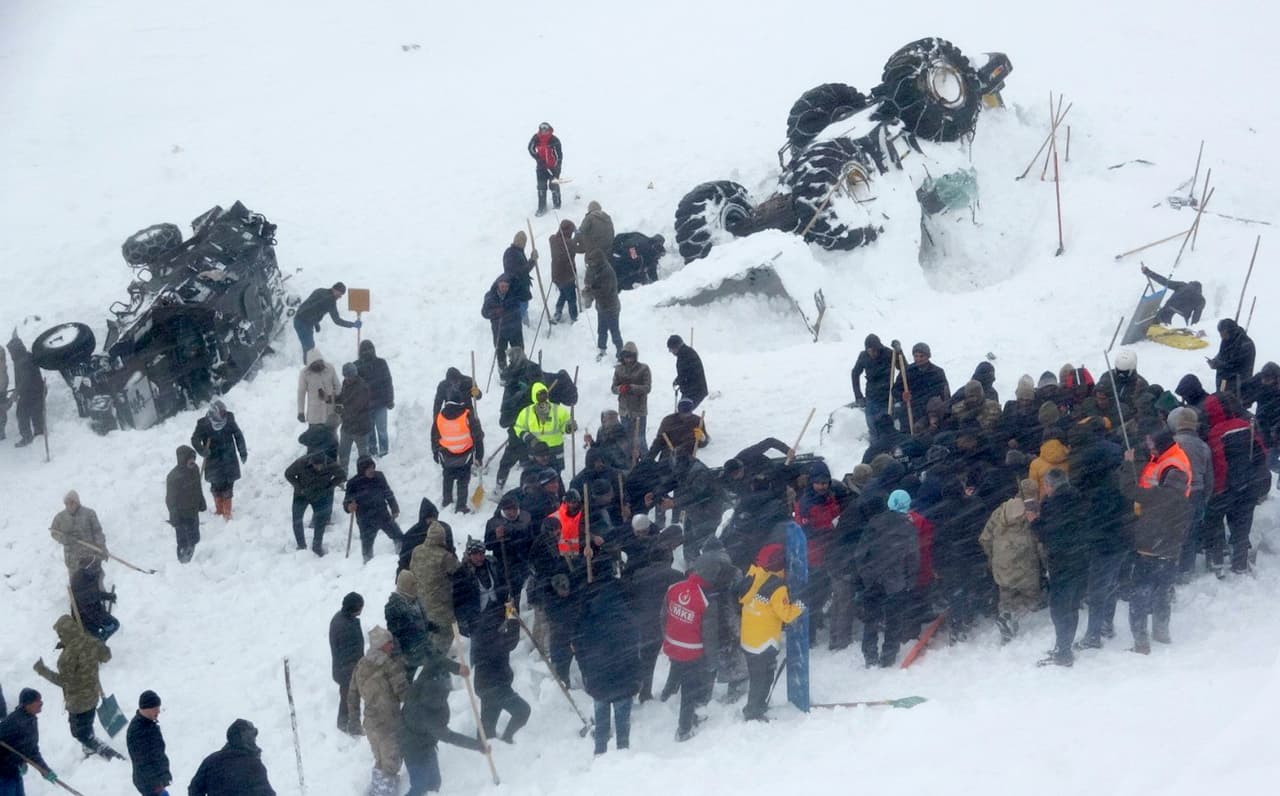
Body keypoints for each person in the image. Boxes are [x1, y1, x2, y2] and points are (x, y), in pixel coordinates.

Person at [1119, 439, 1193, 652]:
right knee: (1163, 595)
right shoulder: (1186, 506)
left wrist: (1129, 464)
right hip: (1169, 555)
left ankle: (1141, 642)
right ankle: (1161, 632)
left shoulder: (1154, 495)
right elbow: (1185, 533)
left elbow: (1127, 489)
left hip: (1147, 552)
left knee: (1140, 597)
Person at [455, 539, 530, 744]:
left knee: (490, 710)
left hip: (495, 616)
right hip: (477, 622)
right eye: (474, 554)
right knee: (494, 706)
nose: (478, 557)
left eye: (480, 553)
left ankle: (487, 739)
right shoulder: (462, 575)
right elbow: (458, 602)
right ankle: (492, 739)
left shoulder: (493, 567)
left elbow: (505, 590)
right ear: (469, 555)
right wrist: (467, 625)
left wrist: (509, 612)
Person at [399, 647, 486, 795]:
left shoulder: (423, 682)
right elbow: (451, 737)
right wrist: (478, 746)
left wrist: (458, 668)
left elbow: (436, 660)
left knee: (434, 782)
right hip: (412, 747)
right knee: (419, 787)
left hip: (425, 742)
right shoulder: (428, 717)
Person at [33, 615, 122, 759]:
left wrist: (42, 670)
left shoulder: (66, 657)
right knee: (87, 724)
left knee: (79, 733)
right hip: (93, 694)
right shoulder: (92, 642)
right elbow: (107, 656)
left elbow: (63, 681)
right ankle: (89, 749)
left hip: (77, 702)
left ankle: (109, 754)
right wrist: (96, 646)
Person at [574, 576, 641, 755]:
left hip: (598, 677)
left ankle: (600, 754)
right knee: (623, 726)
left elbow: (579, 647)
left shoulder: (587, 616)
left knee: (601, 723)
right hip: (623, 677)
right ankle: (622, 754)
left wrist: (586, 671)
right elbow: (635, 648)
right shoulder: (626, 615)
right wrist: (636, 676)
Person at [853, 490, 920, 667]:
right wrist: (910, 580)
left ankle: (870, 655)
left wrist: (866, 574)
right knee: (893, 620)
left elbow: (860, 553)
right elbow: (912, 557)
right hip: (896, 581)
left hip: (873, 580)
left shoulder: (874, 523)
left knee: (871, 619)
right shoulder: (908, 528)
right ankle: (888, 656)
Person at [737, 542, 803, 720]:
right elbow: (786, 614)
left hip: (749, 639)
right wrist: (800, 605)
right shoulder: (777, 587)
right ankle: (753, 711)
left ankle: (756, 707)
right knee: (763, 679)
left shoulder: (753, 574)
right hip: (764, 642)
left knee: (757, 677)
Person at [1031, 469, 1090, 666]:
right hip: (1080, 558)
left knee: (1059, 607)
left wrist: (1035, 522)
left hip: (1063, 561)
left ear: (1050, 485)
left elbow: (1051, 535)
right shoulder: (1077, 497)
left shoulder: (1055, 504)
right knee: (1072, 605)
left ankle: (1063, 651)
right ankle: (1064, 645)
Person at [979, 479, 1043, 642]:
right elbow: (1040, 540)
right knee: (1030, 596)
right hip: (1025, 561)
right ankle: (1019, 620)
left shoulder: (1001, 510)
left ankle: (1006, 615)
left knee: (1006, 593)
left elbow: (985, 538)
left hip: (1002, 561)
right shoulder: (1034, 511)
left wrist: (993, 557)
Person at [349, 626, 409, 796]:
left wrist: (353, 718)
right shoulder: (388, 664)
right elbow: (403, 691)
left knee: (380, 761)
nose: (392, 646)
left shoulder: (360, 665)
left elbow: (352, 694)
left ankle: (377, 791)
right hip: (389, 722)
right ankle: (385, 793)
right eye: (389, 643)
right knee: (391, 764)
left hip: (371, 723)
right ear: (382, 644)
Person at [662, 570, 712, 741]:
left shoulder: (674, 588)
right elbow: (707, 633)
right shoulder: (703, 599)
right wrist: (709, 656)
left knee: (676, 672)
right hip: (692, 651)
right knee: (690, 691)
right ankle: (684, 729)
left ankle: (666, 697)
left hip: (673, 644)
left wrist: (668, 637)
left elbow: (664, 615)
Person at [1168, 406, 1214, 577]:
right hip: (1196, 493)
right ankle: (1186, 569)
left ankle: (1170, 567)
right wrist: (1205, 497)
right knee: (1191, 533)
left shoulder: (1172, 444)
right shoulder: (1203, 447)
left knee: (1173, 532)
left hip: (1174, 493)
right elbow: (1209, 478)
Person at [410, 521, 461, 655]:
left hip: (420, 601)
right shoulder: (444, 556)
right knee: (446, 633)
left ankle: (429, 654)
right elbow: (459, 571)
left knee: (430, 631)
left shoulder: (416, 550)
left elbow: (412, 570)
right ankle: (437, 663)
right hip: (440, 603)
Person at [190, 400, 247, 520]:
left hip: (229, 458)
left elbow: (238, 435)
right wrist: (202, 450)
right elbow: (195, 439)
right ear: (214, 412)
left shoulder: (229, 420)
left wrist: (243, 452)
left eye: (224, 412)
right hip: (212, 460)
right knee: (215, 485)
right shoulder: (203, 424)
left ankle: (227, 512)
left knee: (228, 485)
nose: (224, 414)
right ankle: (219, 509)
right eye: (221, 412)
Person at [187, 719, 275, 795]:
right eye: (250, 736)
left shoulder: (211, 761)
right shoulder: (253, 764)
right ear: (243, 739)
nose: (254, 740)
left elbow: (194, 789)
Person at [284, 451, 347, 555]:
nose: (318, 468)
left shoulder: (331, 464)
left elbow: (342, 475)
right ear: (311, 462)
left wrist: (330, 486)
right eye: (315, 465)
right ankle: (301, 545)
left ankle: (317, 547)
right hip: (301, 495)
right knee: (297, 520)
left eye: (320, 466)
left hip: (320, 495)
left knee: (320, 521)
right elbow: (288, 474)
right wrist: (299, 487)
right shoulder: (301, 462)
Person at [343, 457, 405, 563]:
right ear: (362, 470)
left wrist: (394, 508)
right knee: (367, 545)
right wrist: (349, 506)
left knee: (398, 536)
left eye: (372, 467)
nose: (372, 470)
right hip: (365, 519)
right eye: (368, 469)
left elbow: (388, 493)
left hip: (382, 514)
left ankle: (402, 556)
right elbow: (347, 501)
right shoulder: (353, 483)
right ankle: (368, 565)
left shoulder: (379, 476)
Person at [431, 399, 484, 514]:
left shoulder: (439, 417)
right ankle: (460, 506)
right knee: (463, 481)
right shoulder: (468, 415)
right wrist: (479, 456)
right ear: (460, 402)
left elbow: (434, 436)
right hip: (465, 455)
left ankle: (447, 500)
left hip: (447, 456)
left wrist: (435, 452)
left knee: (447, 478)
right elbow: (478, 437)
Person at [512, 381, 575, 475]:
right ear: (534, 396)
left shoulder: (558, 410)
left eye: (544, 394)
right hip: (536, 452)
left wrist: (569, 427)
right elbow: (518, 428)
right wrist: (530, 438)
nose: (542, 397)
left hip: (555, 452)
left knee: (555, 479)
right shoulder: (526, 412)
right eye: (539, 395)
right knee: (536, 478)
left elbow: (566, 424)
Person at [0, 689, 53, 793]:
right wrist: (14, 762)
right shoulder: (14, 721)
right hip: (3, 774)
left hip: (13, 772)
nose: (41, 703)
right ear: (27, 704)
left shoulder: (31, 720)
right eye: (37, 700)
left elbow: (32, 749)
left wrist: (45, 770)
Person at [892, 342, 950, 434]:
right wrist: (902, 395)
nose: (918, 359)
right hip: (909, 411)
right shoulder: (907, 371)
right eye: (916, 356)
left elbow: (945, 395)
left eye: (921, 356)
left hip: (929, 414)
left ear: (928, 356)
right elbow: (894, 390)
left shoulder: (937, 373)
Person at [293, 282, 359, 361]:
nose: (340, 296)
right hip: (302, 322)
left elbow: (311, 306)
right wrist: (352, 324)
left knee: (309, 347)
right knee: (309, 348)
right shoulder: (330, 300)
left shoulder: (319, 290)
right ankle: (308, 368)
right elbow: (337, 320)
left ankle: (308, 365)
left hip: (302, 319)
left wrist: (315, 323)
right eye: (340, 294)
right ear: (334, 289)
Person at [165, 444, 206, 562]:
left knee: (194, 535)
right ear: (182, 460)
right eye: (189, 459)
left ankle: (193, 550)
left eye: (193, 458)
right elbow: (170, 499)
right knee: (182, 536)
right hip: (180, 513)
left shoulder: (195, 470)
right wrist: (173, 515)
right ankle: (182, 556)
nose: (192, 461)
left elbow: (198, 487)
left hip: (193, 510)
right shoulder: (174, 477)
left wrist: (201, 501)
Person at [330, 592, 364, 734]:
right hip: (348, 671)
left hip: (342, 669)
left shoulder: (340, 618)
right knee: (351, 699)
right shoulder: (346, 626)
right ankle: (350, 726)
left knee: (346, 698)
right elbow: (351, 653)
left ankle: (344, 723)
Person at [49, 490, 106, 576]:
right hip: (73, 561)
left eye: (72, 503)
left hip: (90, 558)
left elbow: (98, 532)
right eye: (66, 503)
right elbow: (54, 532)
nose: (69, 506)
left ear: (77, 502)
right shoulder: (60, 518)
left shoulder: (89, 514)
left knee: (96, 584)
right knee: (77, 587)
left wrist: (101, 547)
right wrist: (65, 539)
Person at [126, 690, 171, 796]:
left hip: (154, 780)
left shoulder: (148, 723)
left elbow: (157, 753)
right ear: (147, 709)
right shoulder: (138, 732)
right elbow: (143, 762)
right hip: (149, 783)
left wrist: (164, 774)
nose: (159, 711)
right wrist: (156, 785)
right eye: (156, 709)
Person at [386, 570, 429, 676]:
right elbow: (397, 632)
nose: (415, 587)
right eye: (412, 584)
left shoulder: (414, 598)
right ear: (405, 585)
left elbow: (420, 619)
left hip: (419, 646)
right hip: (407, 651)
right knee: (407, 681)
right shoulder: (394, 606)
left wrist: (429, 625)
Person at [852, 334, 894, 443]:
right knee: (872, 424)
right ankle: (875, 447)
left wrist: (900, 352)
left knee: (886, 425)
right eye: (870, 351)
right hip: (871, 395)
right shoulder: (863, 356)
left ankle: (888, 445)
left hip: (887, 396)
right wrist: (858, 395)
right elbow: (855, 373)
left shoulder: (889, 354)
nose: (873, 353)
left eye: (876, 350)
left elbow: (904, 367)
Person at [612, 342, 651, 458]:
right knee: (627, 441)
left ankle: (647, 465)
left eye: (631, 357)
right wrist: (620, 389)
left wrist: (632, 388)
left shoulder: (643, 368)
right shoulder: (618, 370)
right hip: (624, 411)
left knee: (640, 440)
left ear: (635, 356)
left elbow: (647, 388)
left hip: (639, 410)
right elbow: (613, 388)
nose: (628, 360)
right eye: (626, 357)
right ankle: (630, 465)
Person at [582, 249, 623, 361]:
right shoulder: (593, 268)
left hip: (611, 306)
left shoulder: (607, 272)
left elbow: (604, 291)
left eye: (592, 262)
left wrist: (591, 292)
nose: (591, 264)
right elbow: (588, 280)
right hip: (601, 307)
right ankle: (602, 350)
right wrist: (587, 288)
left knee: (614, 331)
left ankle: (621, 353)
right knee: (601, 330)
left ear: (599, 261)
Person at [357, 340, 395, 457]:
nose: (368, 352)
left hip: (381, 403)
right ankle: (372, 451)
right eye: (365, 350)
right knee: (369, 431)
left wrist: (390, 399)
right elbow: (354, 387)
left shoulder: (381, 363)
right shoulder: (357, 366)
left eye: (370, 349)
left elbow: (388, 381)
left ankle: (384, 451)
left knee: (382, 430)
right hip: (365, 405)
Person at [6, 334, 44, 448]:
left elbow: (25, 380)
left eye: (11, 351)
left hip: (29, 392)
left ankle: (27, 437)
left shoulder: (21, 362)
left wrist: (16, 393)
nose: (10, 354)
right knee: (36, 412)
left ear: (15, 350)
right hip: (38, 389)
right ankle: (39, 432)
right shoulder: (27, 355)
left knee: (21, 414)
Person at [481, 276, 524, 371]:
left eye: (506, 286)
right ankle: (503, 372)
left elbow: (518, 307)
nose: (504, 288)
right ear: (498, 285)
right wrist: (495, 313)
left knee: (518, 351)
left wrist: (508, 313)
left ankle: (518, 371)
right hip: (499, 330)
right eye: (502, 286)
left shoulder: (513, 294)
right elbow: (484, 312)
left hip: (515, 329)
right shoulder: (490, 296)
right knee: (500, 352)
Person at [336, 362, 372, 474]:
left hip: (361, 428)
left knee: (364, 457)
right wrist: (330, 398)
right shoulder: (346, 384)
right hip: (347, 427)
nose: (347, 378)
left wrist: (342, 412)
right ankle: (342, 477)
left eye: (349, 376)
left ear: (355, 374)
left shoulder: (362, 387)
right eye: (345, 376)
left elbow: (356, 408)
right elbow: (343, 398)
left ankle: (365, 477)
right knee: (343, 454)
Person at [70, 559, 119, 641]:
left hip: (92, 613)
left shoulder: (86, 577)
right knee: (113, 625)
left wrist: (107, 596)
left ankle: (99, 643)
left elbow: (93, 594)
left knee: (110, 627)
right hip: (86, 618)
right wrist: (100, 620)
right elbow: (87, 601)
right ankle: (99, 644)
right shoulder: (82, 579)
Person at [1141, 264, 1205, 326]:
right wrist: (1193, 328)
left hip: (1165, 312)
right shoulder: (1201, 299)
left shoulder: (1182, 285)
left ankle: (1147, 330)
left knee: (1151, 328)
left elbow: (1164, 281)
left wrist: (1147, 271)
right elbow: (1196, 316)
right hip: (1179, 320)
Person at [1208, 318, 1256, 392]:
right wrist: (1215, 360)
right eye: (1220, 334)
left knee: (1231, 401)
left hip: (1238, 382)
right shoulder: (1227, 339)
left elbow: (1238, 366)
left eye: (1224, 334)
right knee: (1221, 396)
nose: (1222, 337)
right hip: (1224, 379)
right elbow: (1222, 353)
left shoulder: (1246, 344)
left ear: (1231, 332)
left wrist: (1220, 365)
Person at [297, 349, 340, 428]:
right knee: (314, 438)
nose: (318, 365)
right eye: (315, 363)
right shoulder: (304, 374)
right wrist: (301, 412)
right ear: (310, 364)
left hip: (330, 412)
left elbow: (337, 386)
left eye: (319, 362)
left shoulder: (330, 368)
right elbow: (301, 393)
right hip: (314, 415)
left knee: (331, 438)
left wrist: (338, 403)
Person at [528, 121, 563, 216]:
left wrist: (557, 169)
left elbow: (559, 156)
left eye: (546, 129)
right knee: (541, 187)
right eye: (542, 129)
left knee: (554, 185)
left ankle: (557, 204)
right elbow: (530, 148)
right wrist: (538, 158)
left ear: (549, 129)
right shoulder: (536, 138)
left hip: (553, 168)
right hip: (541, 167)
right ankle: (542, 207)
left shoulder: (554, 140)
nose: (544, 131)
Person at [503, 231, 537, 326]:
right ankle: (520, 327)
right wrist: (532, 261)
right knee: (521, 308)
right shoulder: (513, 254)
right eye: (523, 242)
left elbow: (522, 269)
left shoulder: (514, 252)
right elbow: (520, 272)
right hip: (517, 288)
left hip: (518, 287)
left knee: (522, 307)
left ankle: (525, 325)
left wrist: (532, 261)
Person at [667, 334, 708, 410]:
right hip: (693, 389)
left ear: (676, 347)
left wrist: (679, 380)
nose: (670, 351)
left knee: (684, 412)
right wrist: (678, 380)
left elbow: (687, 373)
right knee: (683, 412)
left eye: (671, 349)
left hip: (695, 390)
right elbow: (686, 371)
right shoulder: (685, 353)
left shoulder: (685, 355)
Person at [550, 218, 580, 323]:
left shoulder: (553, 241)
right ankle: (574, 317)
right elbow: (574, 250)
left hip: (556, 275)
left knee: (563, 293)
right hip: (567, 276)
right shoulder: (570, 244)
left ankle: (558, 312)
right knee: (571, 298)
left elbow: (552, 237)